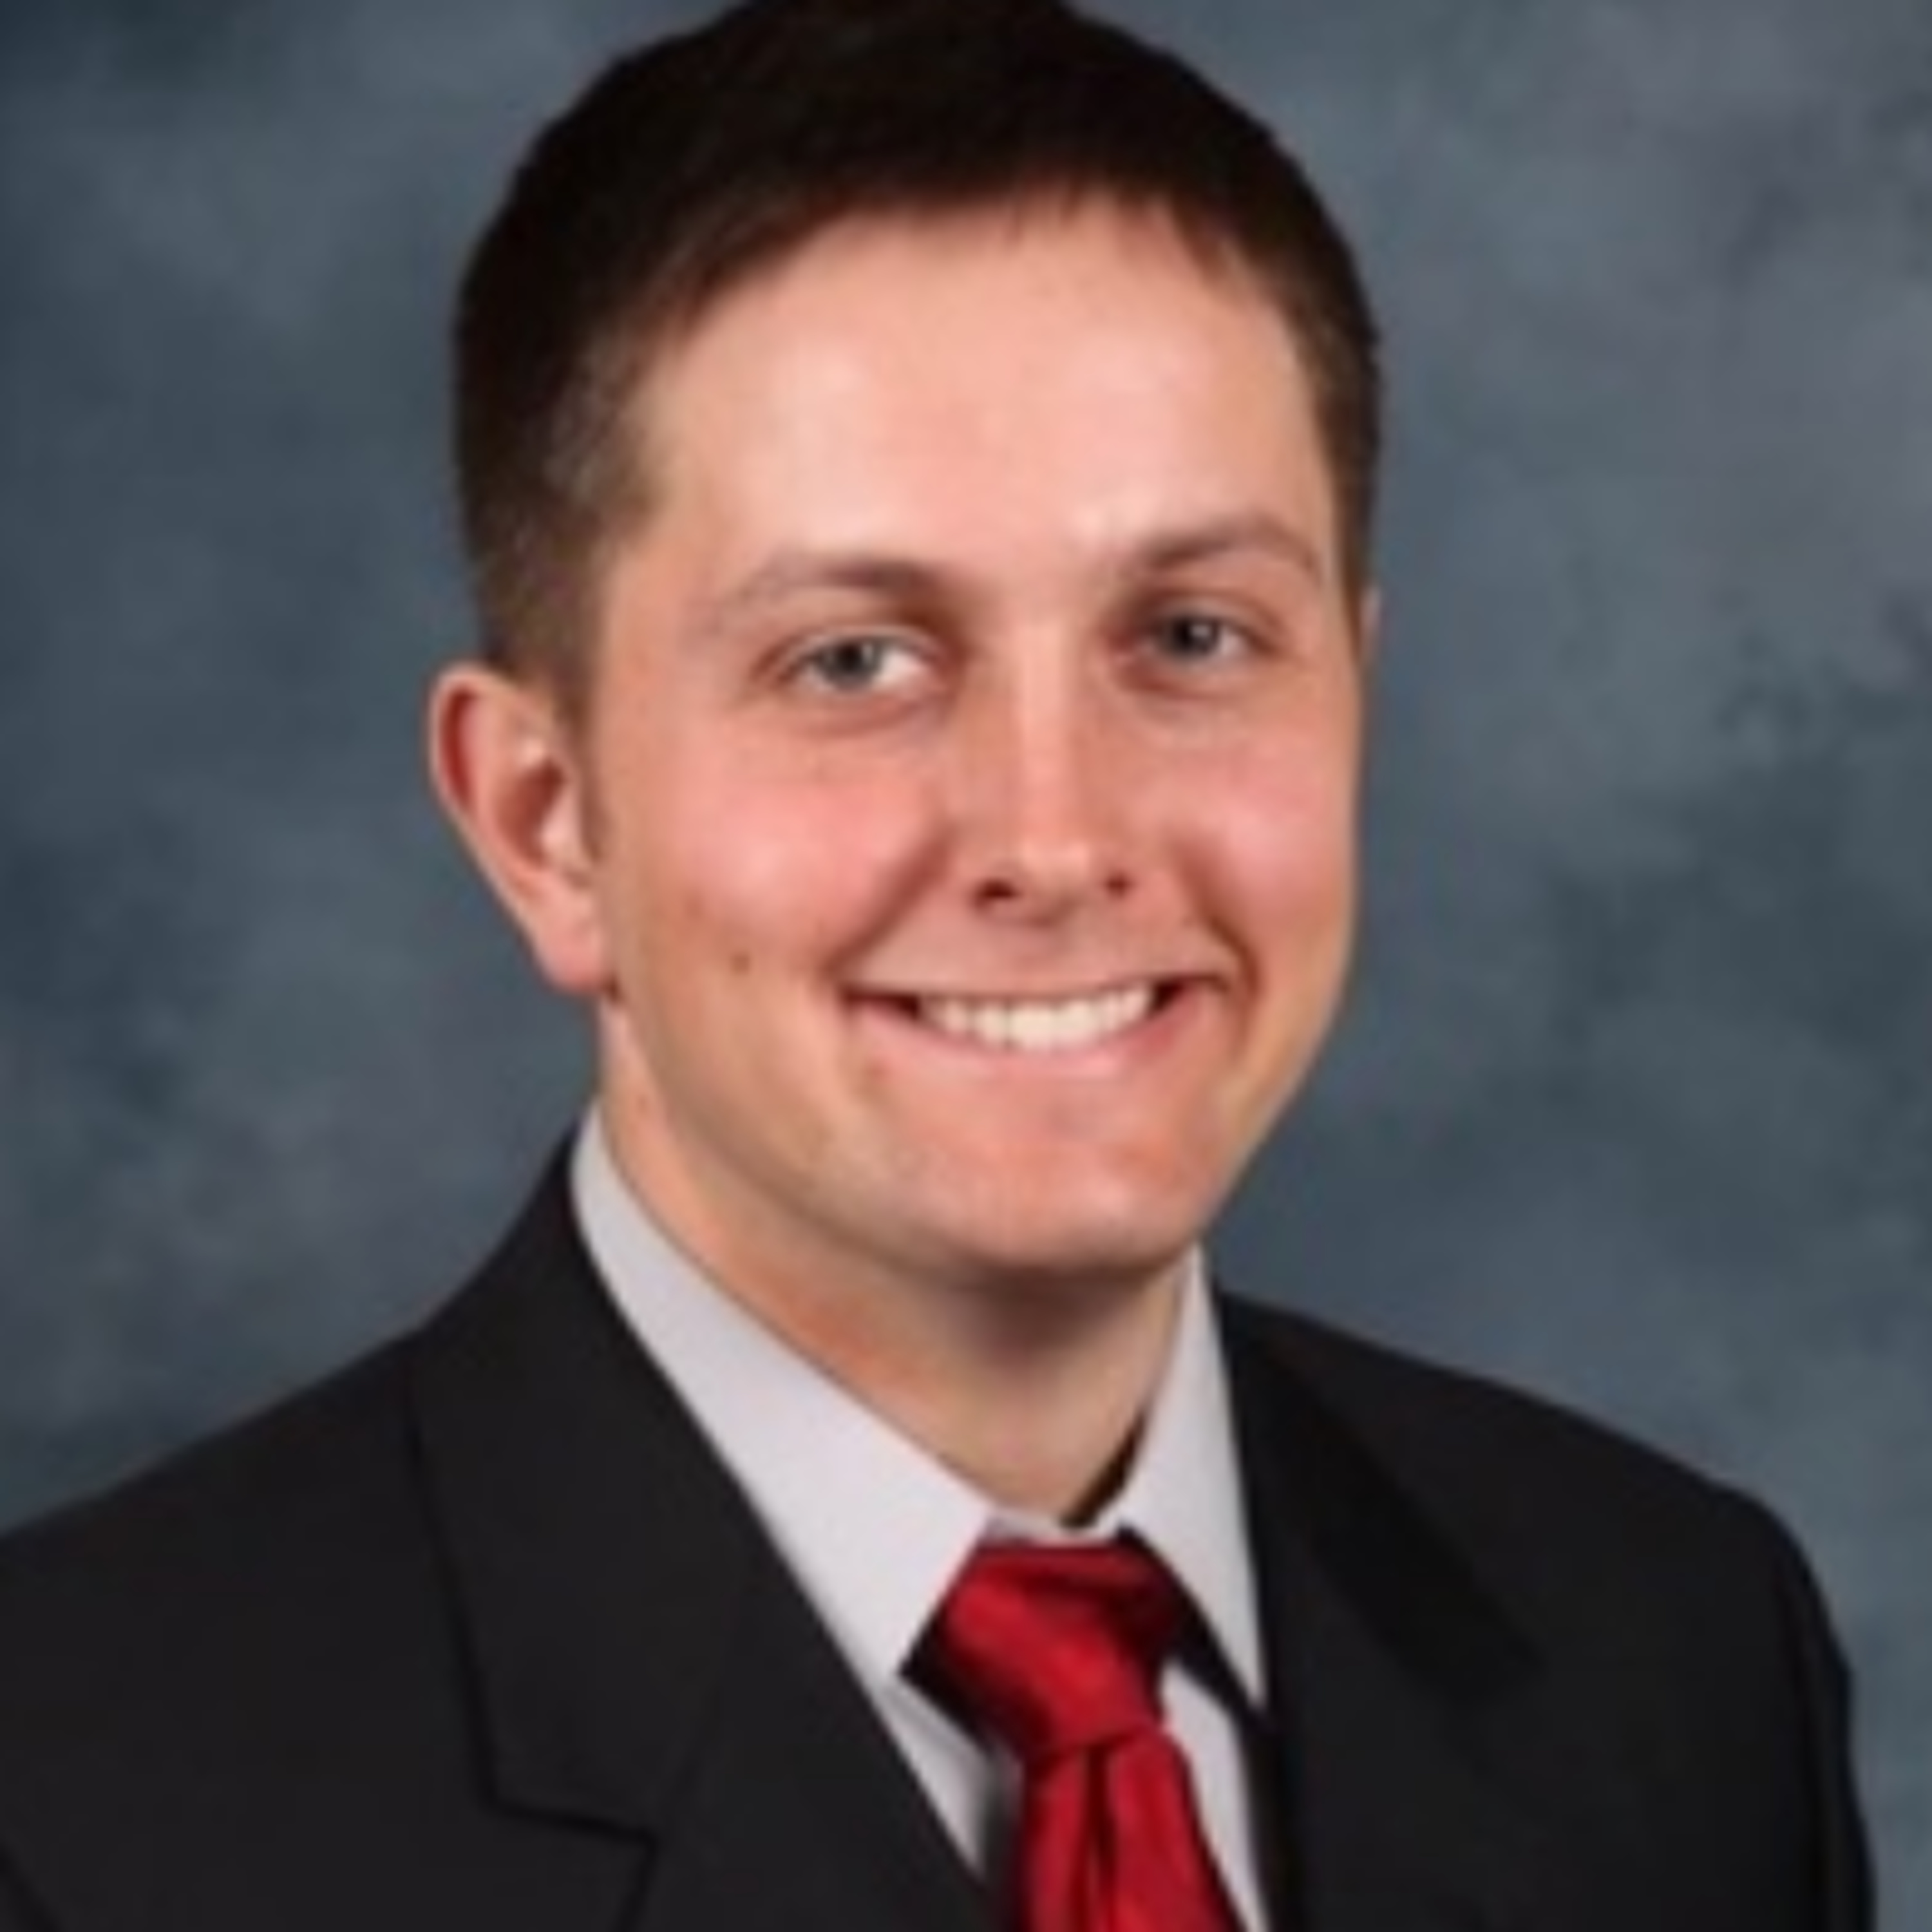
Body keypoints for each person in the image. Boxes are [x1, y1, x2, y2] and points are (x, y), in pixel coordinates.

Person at [0, 0, 1871, 1926]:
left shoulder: (1676, 1654)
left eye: (1195, 637)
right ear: (548, 823)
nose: (1057, 839)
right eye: (855, 662)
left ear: (1355, 698)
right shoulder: (71, 1802)